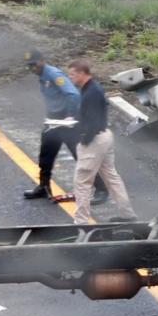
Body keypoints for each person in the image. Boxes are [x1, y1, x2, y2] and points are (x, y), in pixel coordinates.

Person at [21, 49, 107, 203]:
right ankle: (43, 187)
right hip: (53, 121)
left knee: (81, 156)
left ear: (41, 61)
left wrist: (70, 116)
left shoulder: (54, 74)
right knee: (46, 155)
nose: (32, 69)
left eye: (33, 65)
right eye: (29, 67)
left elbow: (73, 94)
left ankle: (101, 189)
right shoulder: (42, 76)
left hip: (66, 123)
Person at [66, 58, 137, 224]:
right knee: (111, 177)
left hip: (95, 140)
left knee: (82, 181)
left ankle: (81, 222)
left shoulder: (91, 92)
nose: (71, 78)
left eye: (73, 75)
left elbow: (93, 121)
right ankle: (127, 215)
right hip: (105, 137)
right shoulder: (92, 88)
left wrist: (84, 139)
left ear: (83, 74)